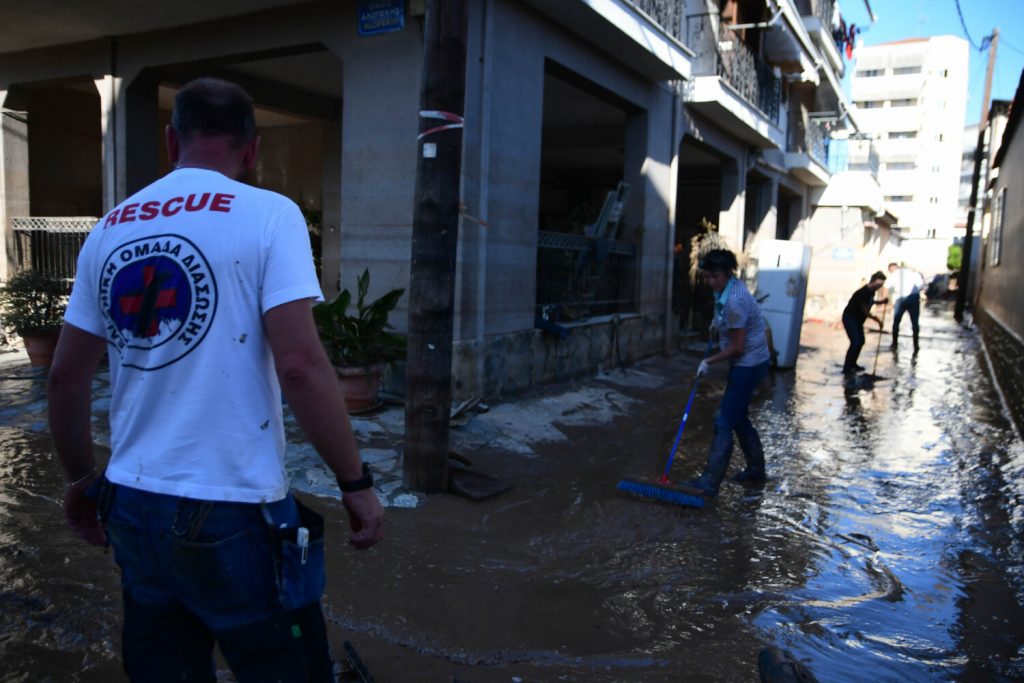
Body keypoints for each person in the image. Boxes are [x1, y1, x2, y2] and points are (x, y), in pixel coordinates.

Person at [47, 78, 384, 682]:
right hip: (232, 508)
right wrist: (354, 482)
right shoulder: (269, 214)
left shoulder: (109, 229)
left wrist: (80, 479)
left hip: (132, 502)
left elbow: (66, 380)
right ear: (251, 151)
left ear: (172, 141)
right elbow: (301, 366)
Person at [684, 249, 772, 496]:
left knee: (723, 419)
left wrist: (708, 362)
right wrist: (717, 324)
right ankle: (756, 469)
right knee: (738, 417)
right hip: (750, 360)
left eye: (716, 276)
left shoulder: (735, 301)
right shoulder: (725, 290)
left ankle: (710, 482)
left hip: (749, 363)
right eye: (708, 276)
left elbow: (737, 347)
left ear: (728, 273)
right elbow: (726, 321)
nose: (711, 282)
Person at [841, 271, 888, 375]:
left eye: (881, 285)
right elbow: (865, 311)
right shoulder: (864, 292)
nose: (880, 287)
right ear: (873, 281)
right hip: (850, 318)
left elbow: (871, 302)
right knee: (856, 342)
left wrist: (882, 302)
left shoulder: (871, 292)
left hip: (857, 320)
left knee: (861, 341)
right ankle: (847, 368)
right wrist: (878, 320)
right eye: (879, 285)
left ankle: (853, 364)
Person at [887, 261, 924, 351]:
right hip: (914, 298)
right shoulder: (914, 273)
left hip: (900, 299)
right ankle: (916, 345)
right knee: (915, 322)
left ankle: (894, 343)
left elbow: (888, 287)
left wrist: (889, 302)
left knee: (896, 321)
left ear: (892, 268)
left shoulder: (894, 274)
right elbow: (920, 286)